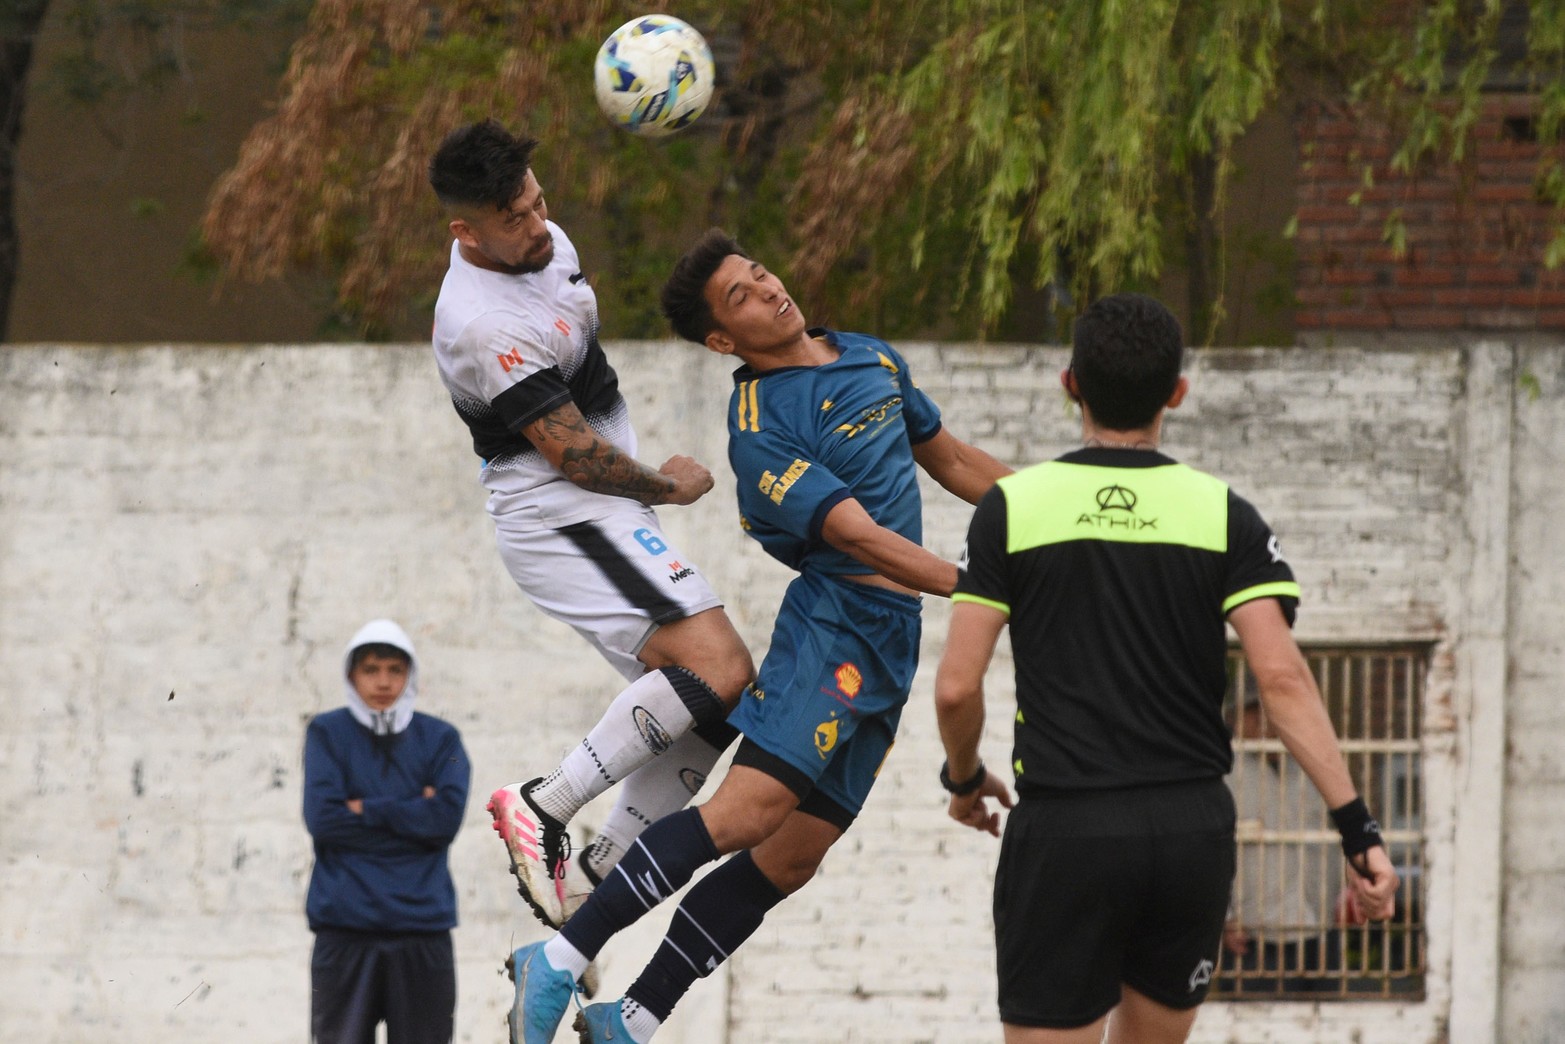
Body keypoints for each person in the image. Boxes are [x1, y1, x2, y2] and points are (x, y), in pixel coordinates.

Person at [504, 228, 1012, 1044]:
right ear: (720, 339)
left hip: (892, 642)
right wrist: (979, 581)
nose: (769, 290)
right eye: (740, 296)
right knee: (745, 814)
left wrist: (1054, 512)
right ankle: (558, 957)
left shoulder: (872, 359)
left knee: (791, 854)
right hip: (834, 630)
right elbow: (858, 537)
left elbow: (951, 458)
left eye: (761, 273)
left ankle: (627, 1017)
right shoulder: (759, 428)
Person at [932, 292, 1400, 1044]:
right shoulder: (1224, 514)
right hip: (1189, 832)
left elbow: (957, 687)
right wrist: (1357, 830)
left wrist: (962, 780)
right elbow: (1282, 685)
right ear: (1176, 393)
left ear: (1069, 384)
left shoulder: (1011, 510)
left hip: (1067, 830)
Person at [426, 120, 753, 930]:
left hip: (598, 510)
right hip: (560, 513)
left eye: (538, 204)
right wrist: (665, 487)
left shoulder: (544, 242)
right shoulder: (480, 323)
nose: (537, 226)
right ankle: (541, 804)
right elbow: (572, 454)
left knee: (717, 708)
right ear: (465, 231)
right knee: (720, 666)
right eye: (514, 219)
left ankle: (599, 873)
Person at [303, 618, 472, 1044]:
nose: (383, 682)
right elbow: (323, 820)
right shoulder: (327, 733)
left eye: (395, 670)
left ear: (409, 675)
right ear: (351, 675)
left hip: (422, 929)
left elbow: (445, 821)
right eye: (371, 669)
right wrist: (416, 808)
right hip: (345, 927)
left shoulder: (440, 739)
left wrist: (364, 808)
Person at [1218, 692, 1338, 995]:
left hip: (1318, 925)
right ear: (1233, 719)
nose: (1265, 722)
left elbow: (1330, 836)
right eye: (1253, 712)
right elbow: (1209, 851)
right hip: (1254, 933)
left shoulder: (1311, 764)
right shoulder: (1222, 771)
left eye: (1271, 711)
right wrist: (1225, 918)